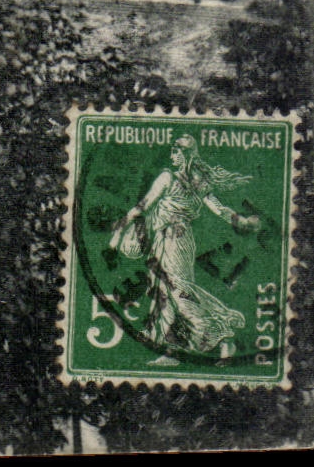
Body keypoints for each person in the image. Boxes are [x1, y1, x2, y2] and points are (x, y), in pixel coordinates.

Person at [109, 134, 260, 362]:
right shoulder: (198, 182)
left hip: (173, 240)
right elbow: (220, 210)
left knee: (177, 291)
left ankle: (220, 335)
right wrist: (241, 221)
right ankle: (171, 351)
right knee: (164, 291)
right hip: (171, 240)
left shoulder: (169, 178)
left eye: (175, 151)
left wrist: (118, 233)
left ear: (186, 154)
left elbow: (142, 207)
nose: (172, 156)